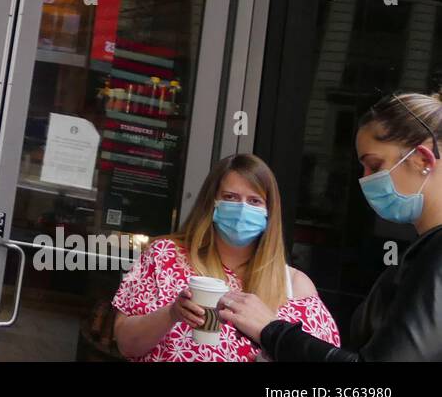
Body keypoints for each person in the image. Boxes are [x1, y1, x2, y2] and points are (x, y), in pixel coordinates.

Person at [220, 92, 442, 361]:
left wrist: (272, 330)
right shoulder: (425, 249)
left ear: (422, 160)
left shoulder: (435, 253)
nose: (365, 179)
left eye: (374, 165)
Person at [111, 153, 339, 361]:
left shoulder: (294, 286)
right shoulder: (165, 256)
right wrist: (171, 314)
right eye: (230, 197)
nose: (242, 209)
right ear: (211, 203)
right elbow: (126, 344)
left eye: (254, 201)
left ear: (270, 211)